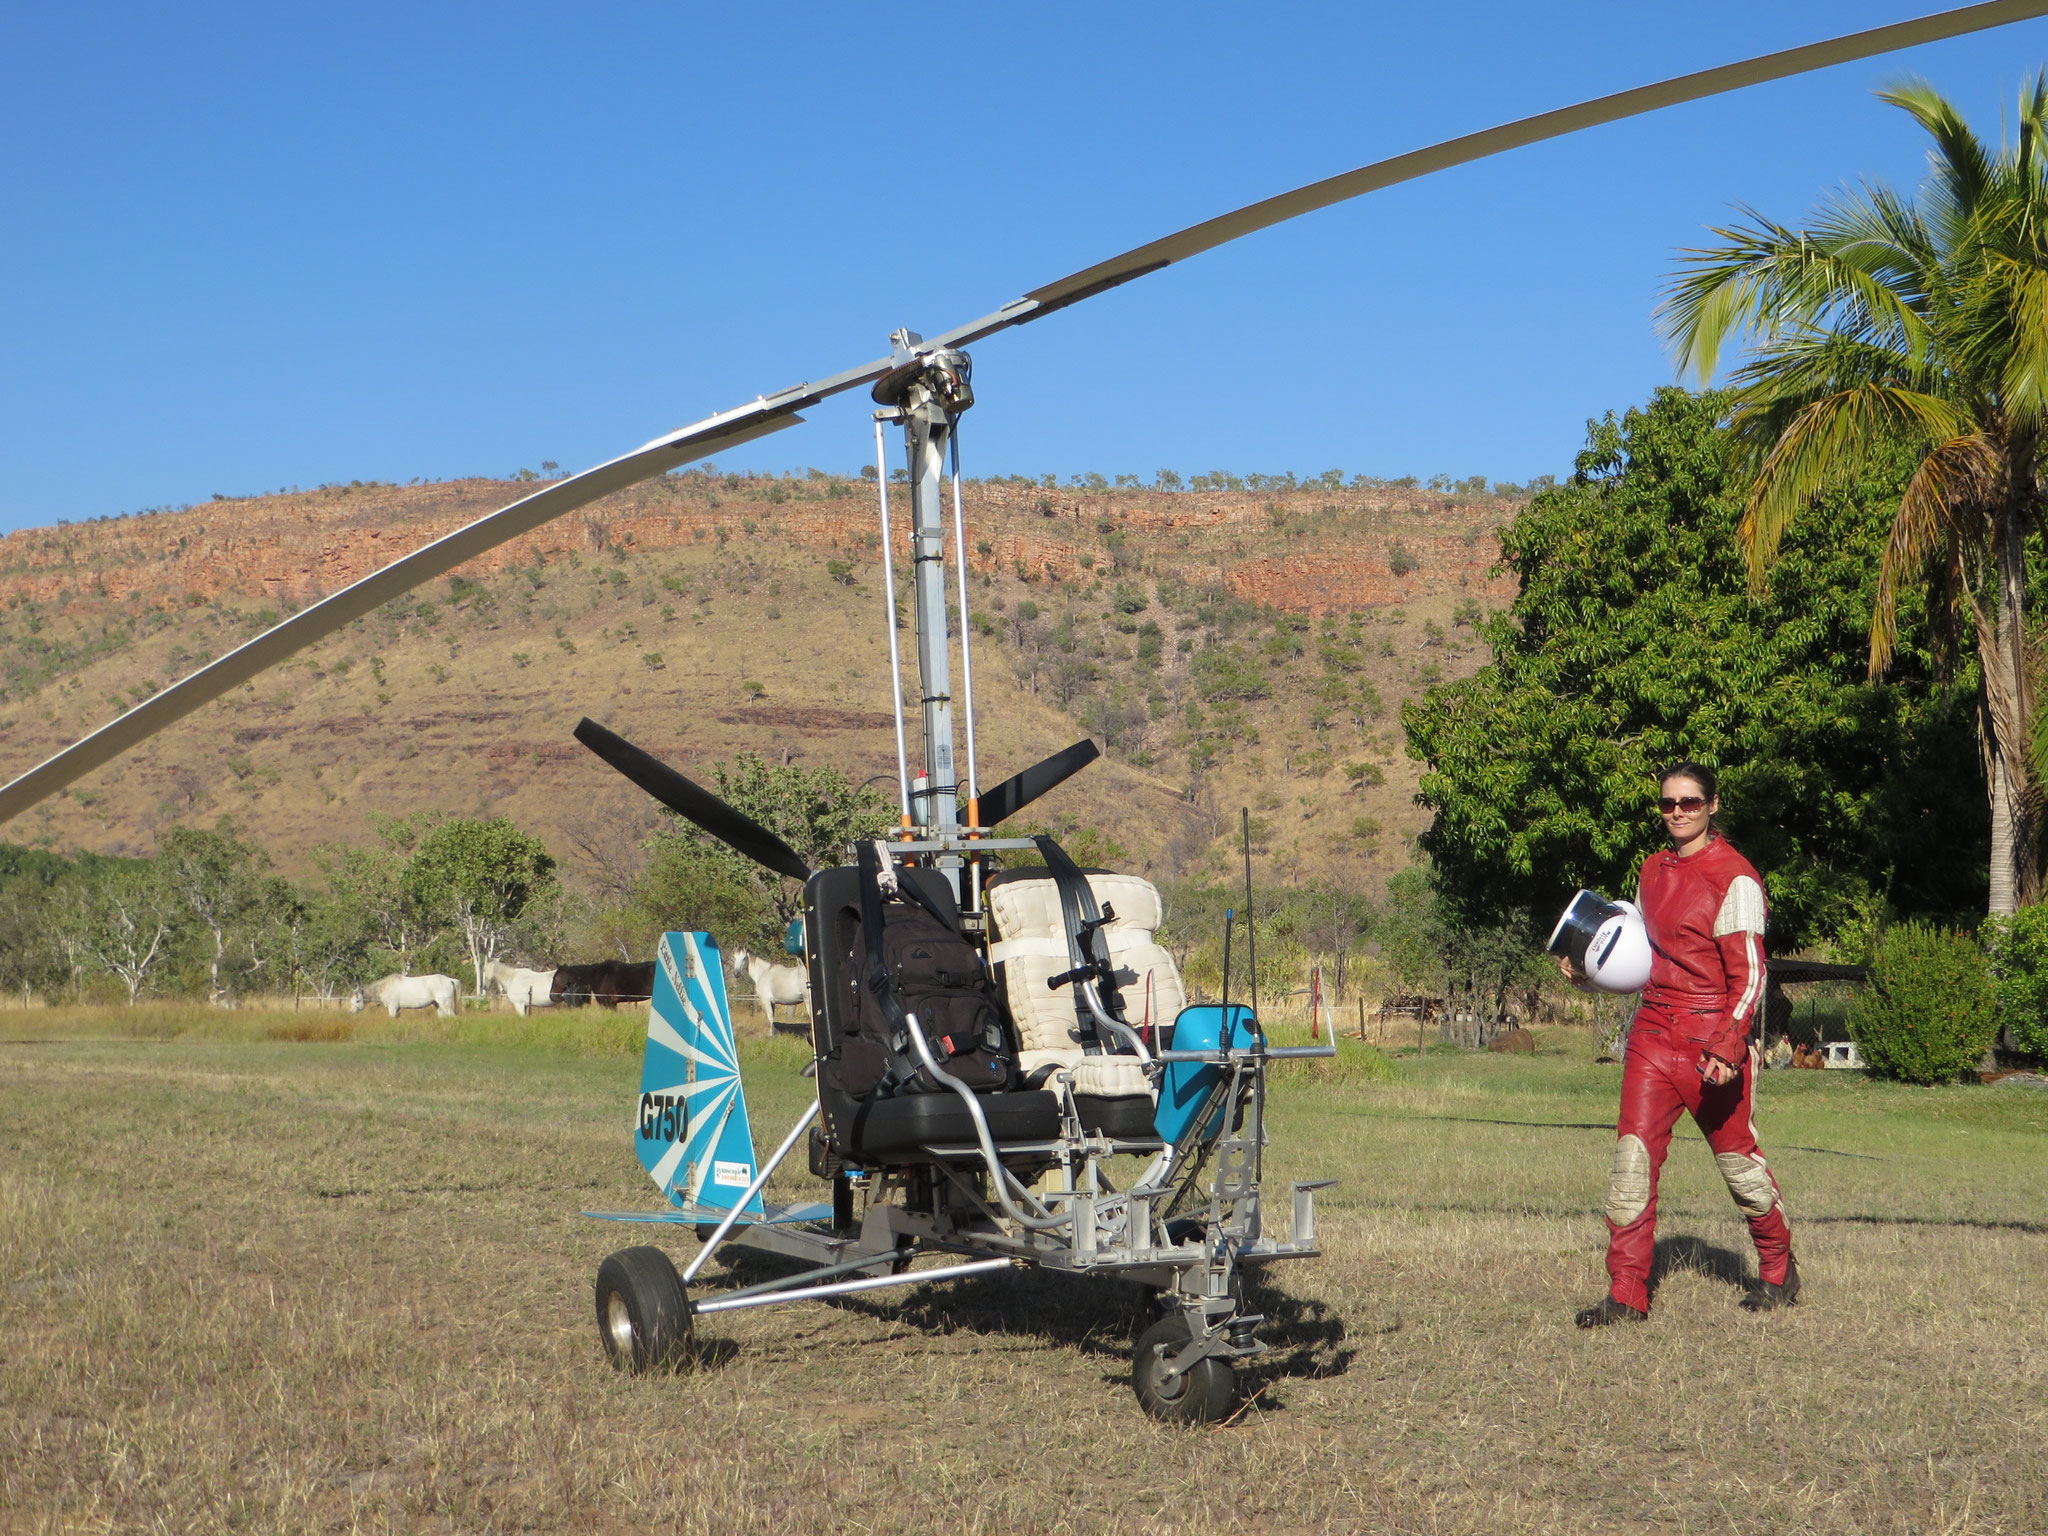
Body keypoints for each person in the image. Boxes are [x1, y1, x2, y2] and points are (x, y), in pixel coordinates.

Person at [1564, 762, 1799, 1326]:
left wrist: (1727, 1044)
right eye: (1669, 804)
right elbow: (1637, 954)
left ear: (1713, 805)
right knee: (1631, 1166)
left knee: (1739, 1166)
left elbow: (1750, 976)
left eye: (1690, 802)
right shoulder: (1651, 870)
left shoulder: (1735, 877)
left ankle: (1778, 1269)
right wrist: (1589, 970)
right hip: (1651, 1032)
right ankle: (1626, 1295)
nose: (1678, 813)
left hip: (1710, 1040)